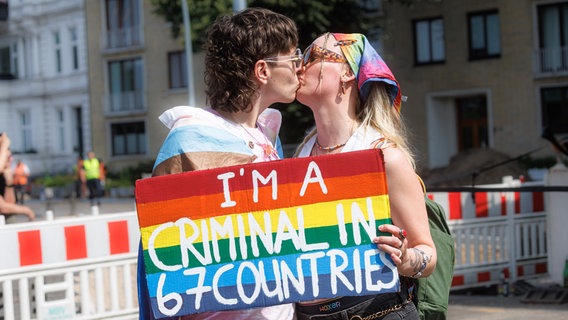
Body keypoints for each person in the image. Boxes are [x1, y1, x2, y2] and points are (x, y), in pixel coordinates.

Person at [137, 7, 301, 320]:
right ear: (263, 71)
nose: (299, 68)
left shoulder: (268, 136)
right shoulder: (190, 140)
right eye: (292, 57)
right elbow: (166, 255)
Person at [293, 32, 437, 320]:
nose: (299, 65)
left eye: (311, 57)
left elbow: (428, 255)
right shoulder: (300, 156)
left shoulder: (385, 157)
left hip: (377, 312)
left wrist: (407, 258)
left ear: (346, 73)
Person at [0, 133, 35, 221]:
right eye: (6, 157)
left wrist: (9, 183)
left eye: (10, 157)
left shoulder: (5, 174)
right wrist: (26, 210)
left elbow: (10, 204)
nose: (10, 160)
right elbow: (2, 207)